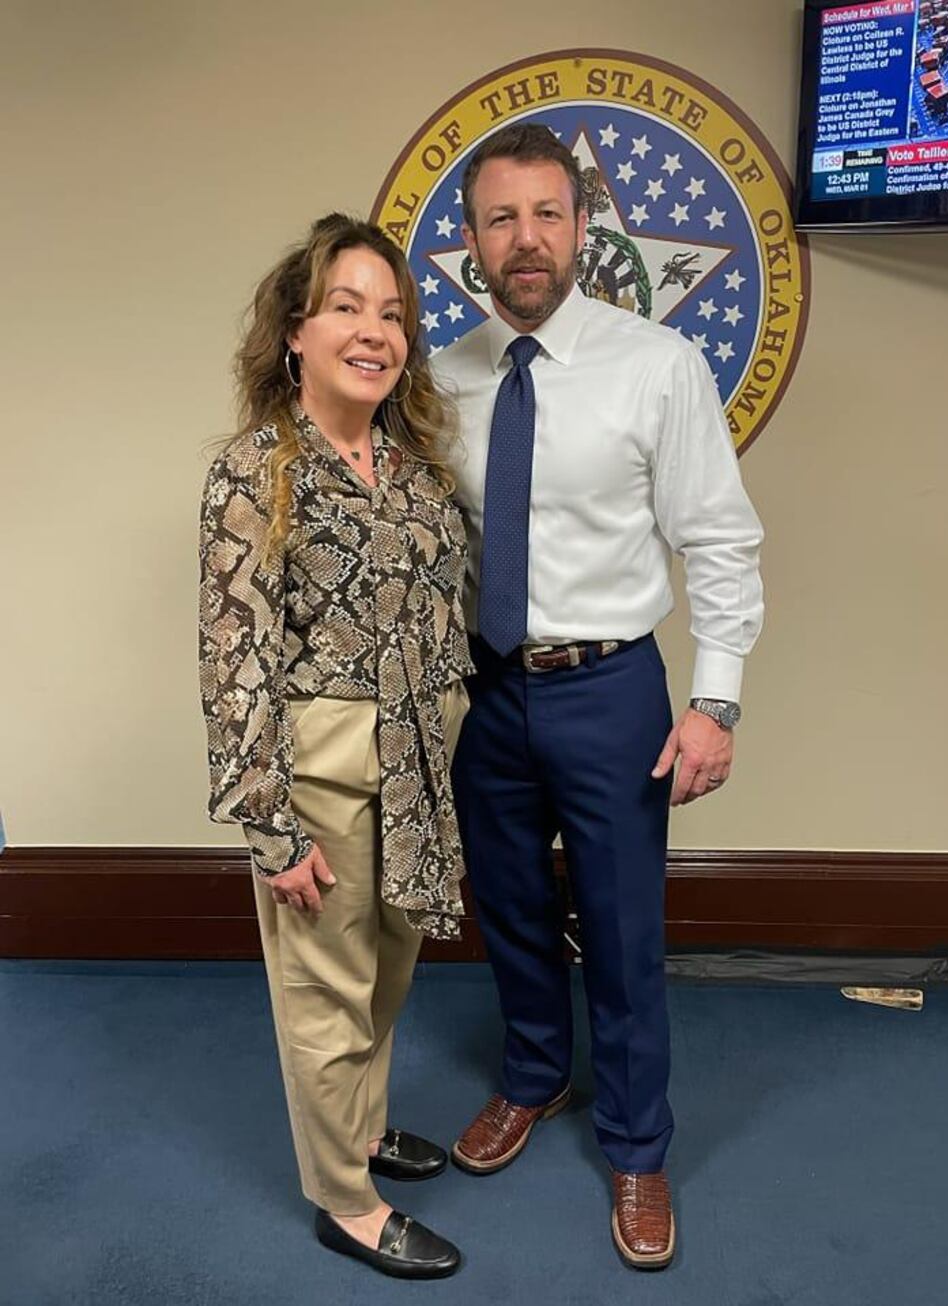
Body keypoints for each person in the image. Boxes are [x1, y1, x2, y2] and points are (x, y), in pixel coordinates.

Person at [433, 124, 764, 1270]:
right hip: (488, 694)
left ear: (581, 228)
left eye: (545, 215)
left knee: (623, 933)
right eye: (499, 219)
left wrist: (713, 703)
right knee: (512, 908)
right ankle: (532, 1077)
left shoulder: (654, 365)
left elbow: (718, 543)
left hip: (611, 688)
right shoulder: (443, 378)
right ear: (470, 240)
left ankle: (634, 1144)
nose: (524, 241)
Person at [198, 213, 472, 1280]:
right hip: (317, 773)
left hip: (415, 757)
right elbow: (234, 660)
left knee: (384, 975)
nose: (375, 330)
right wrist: (268, 828)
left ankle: (356, 1128)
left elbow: (443, 616)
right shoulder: (251, 470)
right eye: (346, 307)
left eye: (391, 312)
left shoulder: (412, 471)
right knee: (322, 989)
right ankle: (343, 1201)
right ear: (296, 334)